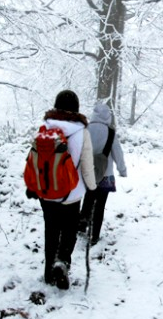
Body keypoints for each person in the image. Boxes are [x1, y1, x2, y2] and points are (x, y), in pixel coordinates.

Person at [35, 90, 97, 290]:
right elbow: (87, 165)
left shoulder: (45, 127)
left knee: (50, 230)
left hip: (46, 193)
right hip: (71, 194)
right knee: (69, 230)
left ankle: (48, 271)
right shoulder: (82, 132)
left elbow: (35, 159)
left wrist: (33, 185)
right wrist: (93, 187)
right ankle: (62, 262)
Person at [79, 103, 127, 246]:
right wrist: (122, 170)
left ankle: (81, 225)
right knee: (100, 205)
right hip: (105, 175)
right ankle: (94, 235)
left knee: (88, 198)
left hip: (88, 173)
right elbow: (118, 152)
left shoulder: (85, 130)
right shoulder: (110, 132)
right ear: (108, 116)